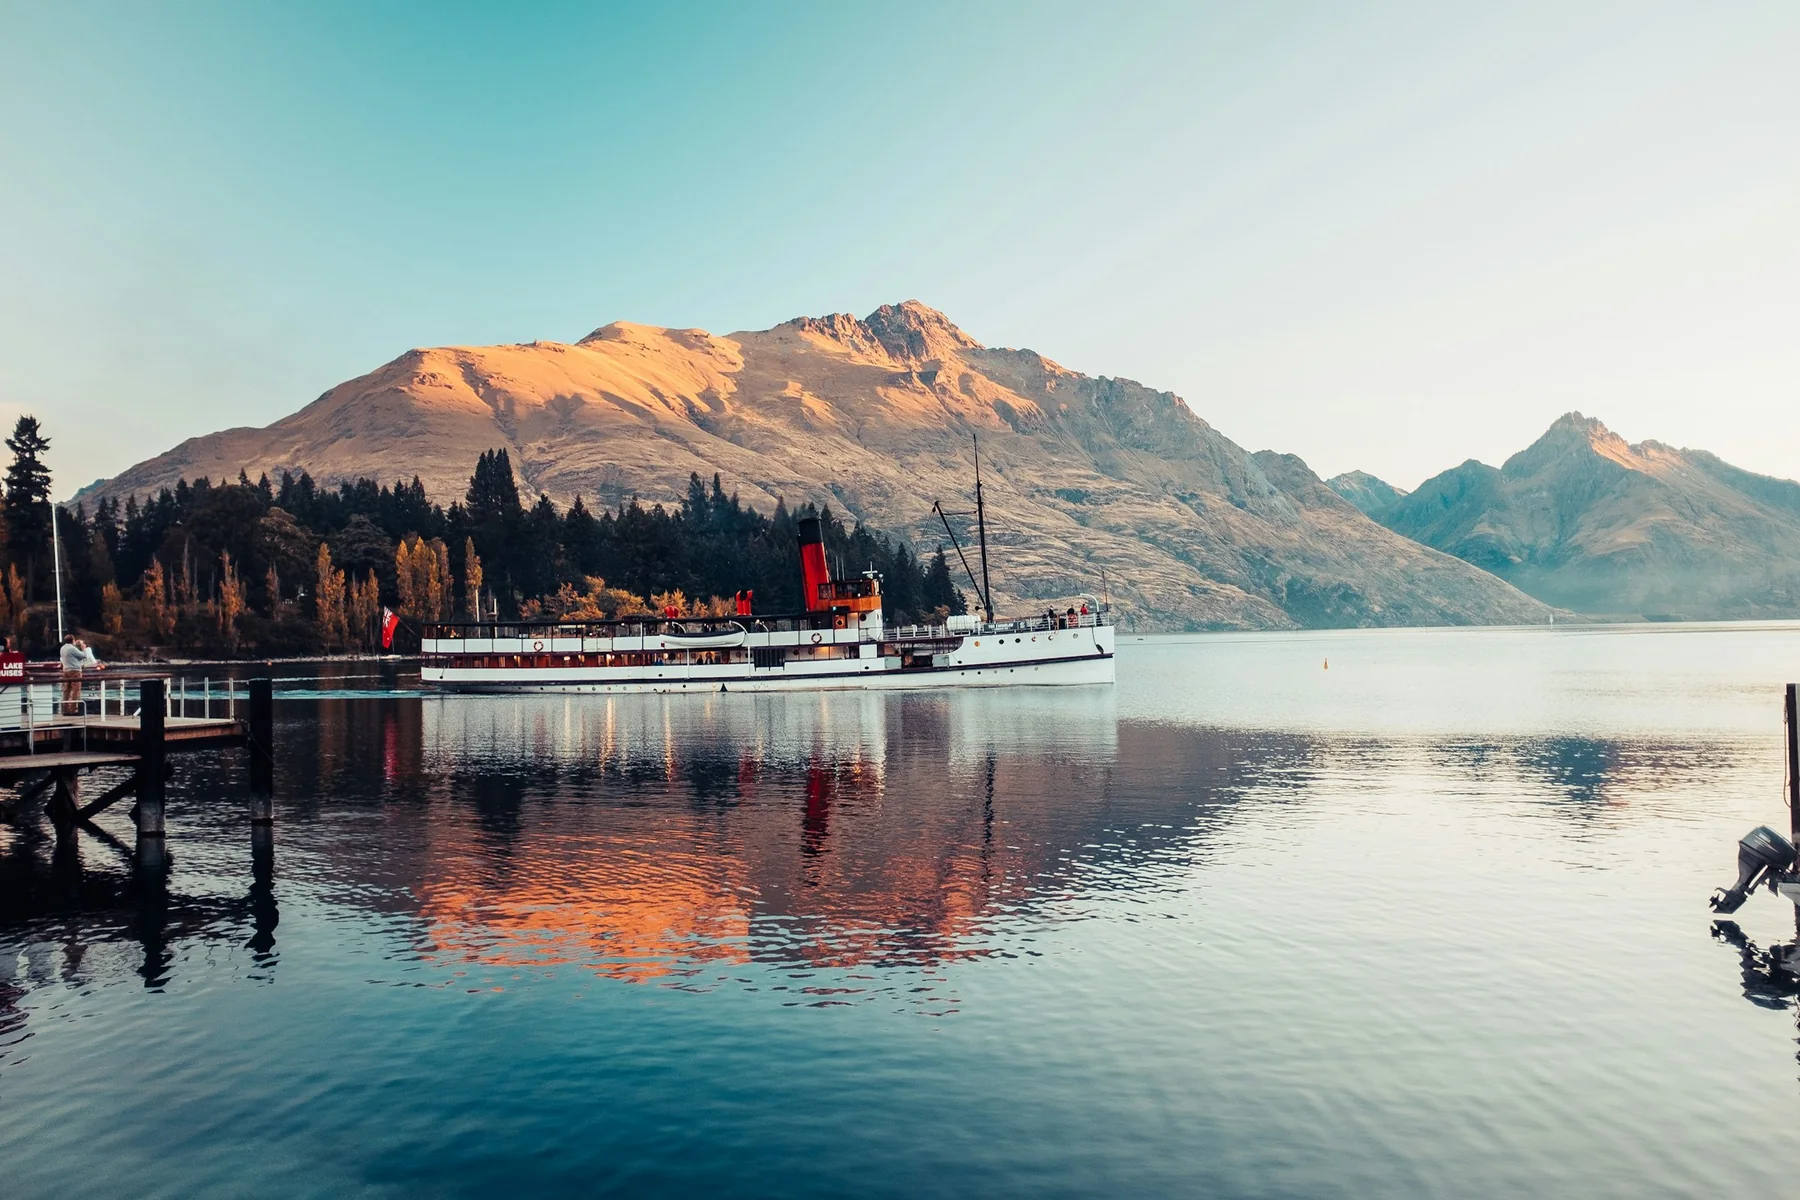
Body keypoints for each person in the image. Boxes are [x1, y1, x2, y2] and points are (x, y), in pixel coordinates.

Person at [59, 635, 104, 716]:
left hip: (65, 670)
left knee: (66, 691)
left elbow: (72, 655)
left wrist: (76, 645)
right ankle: (73, 710)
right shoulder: (72, 648)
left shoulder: (63, 648)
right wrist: (83, 648)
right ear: (72, 640)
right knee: (75, 691)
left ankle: (65, 710)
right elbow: (84, 656)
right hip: (75, 671)